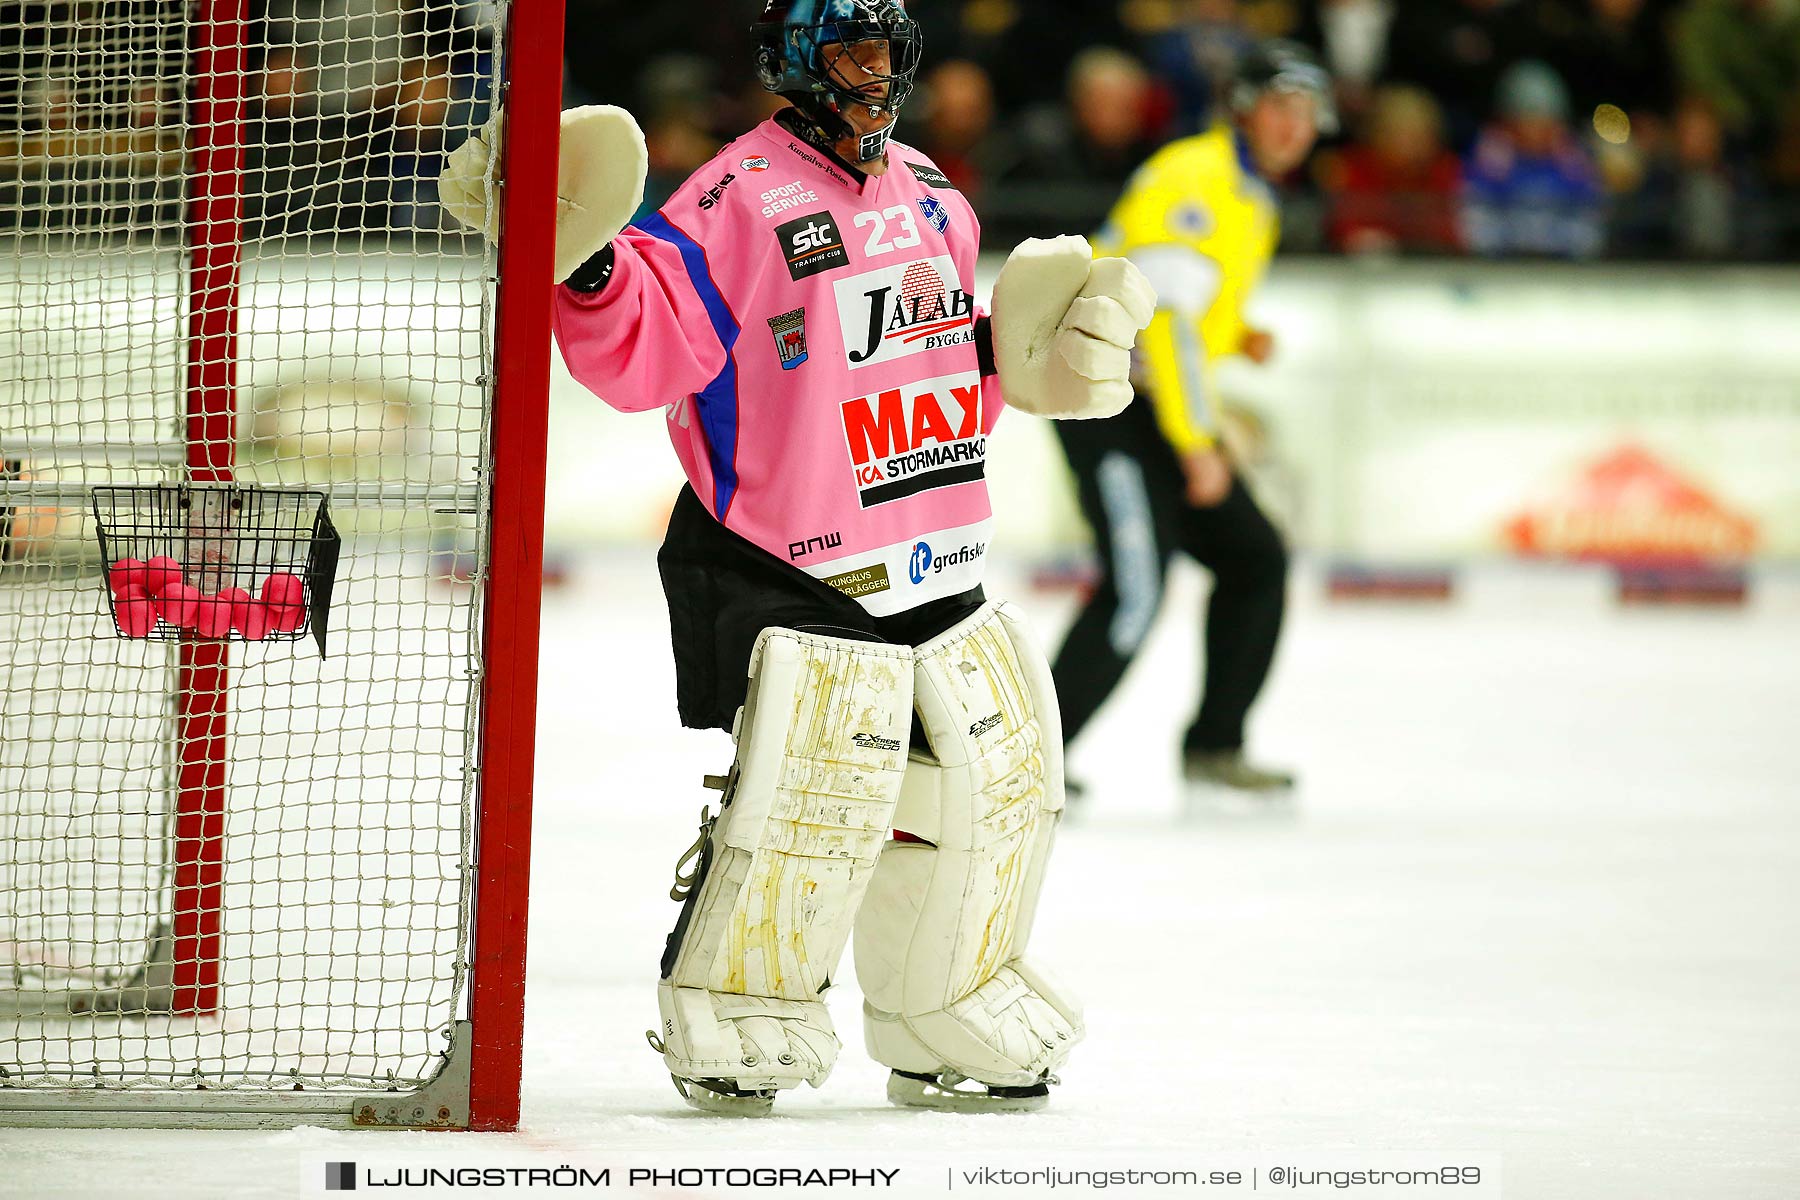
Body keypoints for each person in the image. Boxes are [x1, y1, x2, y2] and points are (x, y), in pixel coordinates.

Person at [438, 0, 1154, 1116]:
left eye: (885, 49)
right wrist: (581, 271)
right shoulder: (731, 198)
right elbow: (651, 344)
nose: (873, 71)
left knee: (1001, 783)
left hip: (935, 553)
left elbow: (934, 361)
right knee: (821, 793)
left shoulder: (934, 197)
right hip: (785, 563)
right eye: (847, 49)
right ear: (792, 62)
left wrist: (1021, 367)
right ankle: (740, 1001)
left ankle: (945, 1002)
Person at [1049, 41, 1332, 809]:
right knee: (1138, 586)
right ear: (1242, 107)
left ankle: (1215, 748)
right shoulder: (1197, 180)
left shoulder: (1249, 195)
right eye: (1280, 107)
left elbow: (1185, 303)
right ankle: (1026, 761)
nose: (1293, 127)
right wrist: (1198, 443)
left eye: (1306, 114)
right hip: (1108, 399)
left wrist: (1238, 333)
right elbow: (1165, 325)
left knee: (1254, 560)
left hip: (1151, 401)